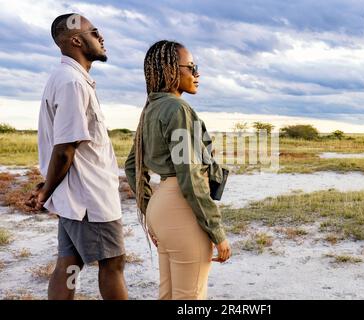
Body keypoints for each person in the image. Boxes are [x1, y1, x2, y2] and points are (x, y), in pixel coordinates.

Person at [29, 13, 128, 300]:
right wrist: (47, 190)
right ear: (75, 40)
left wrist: (47, 187)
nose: (101, 37)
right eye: (95, 32)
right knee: (113, 264)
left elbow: (66, 148)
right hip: (90, 201)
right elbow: (65, 148)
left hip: (76, 199)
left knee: (69, 265)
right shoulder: (72, 82)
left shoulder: (68, 79)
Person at [125, 40, 231, 300]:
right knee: (189, 299)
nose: (197, 74)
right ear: (171, 69)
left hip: (161, 207)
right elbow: (191, 177)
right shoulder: (178, 109)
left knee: (169, 294)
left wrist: (149, 209)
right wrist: (217, 232)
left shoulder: (151, 108)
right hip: (181, 208)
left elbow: (132, 166)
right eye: (191, 67)